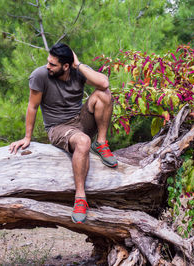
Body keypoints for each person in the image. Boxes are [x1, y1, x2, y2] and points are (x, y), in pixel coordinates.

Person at [9, 43, 118, 224]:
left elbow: (104, 83)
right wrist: (27, 137)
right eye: (48, 62)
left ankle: (101, 142)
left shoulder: (77, 71)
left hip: (79, 120)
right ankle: (80, 198)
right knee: (83, 141)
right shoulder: (40, 75)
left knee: (104, 94)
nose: (48, 66)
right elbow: (32, 106)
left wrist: (79, 65)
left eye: (53, 64)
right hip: (58, 127)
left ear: (66, 66)